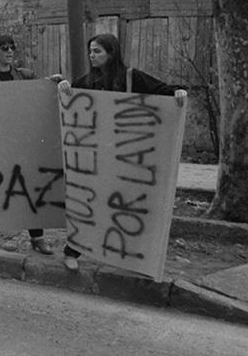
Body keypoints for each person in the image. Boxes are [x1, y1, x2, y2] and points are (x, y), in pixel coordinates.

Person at [57, 33, 187, 271]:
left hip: (126, 157)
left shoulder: (131, 78)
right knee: (90, 204)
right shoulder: (86, 82)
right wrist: (64, 86)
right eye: (90, 51)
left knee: (126, 206)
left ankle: (130, 257)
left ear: (111, 53)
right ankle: (72, 250)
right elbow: (69, 100)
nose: (92, 56)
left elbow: (163, 91)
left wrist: (178, 93)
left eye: (97, 51)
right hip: (96, 157)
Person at [0, 34, 59, 255]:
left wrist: (51, 83)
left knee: (28, 187)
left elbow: (37, 97)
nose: (9, 52)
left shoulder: (26, 75)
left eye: (12, 48)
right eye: (4, 48)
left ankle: (37, 238)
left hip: (21, 140)